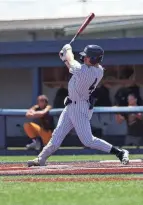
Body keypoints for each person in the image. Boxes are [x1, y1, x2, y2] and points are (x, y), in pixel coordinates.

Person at [27, 44, 129, 167]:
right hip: (71, 106)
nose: (85, 58)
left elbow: (71, 61)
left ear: (94, 59)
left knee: (88, 140)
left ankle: (119, 152)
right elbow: (71, 64)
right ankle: (41, 158)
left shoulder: (86, 71)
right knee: (56, 137)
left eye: (87, 57)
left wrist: (67, 50)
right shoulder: (97, 70)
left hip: (80, 108)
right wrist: (64, 57)